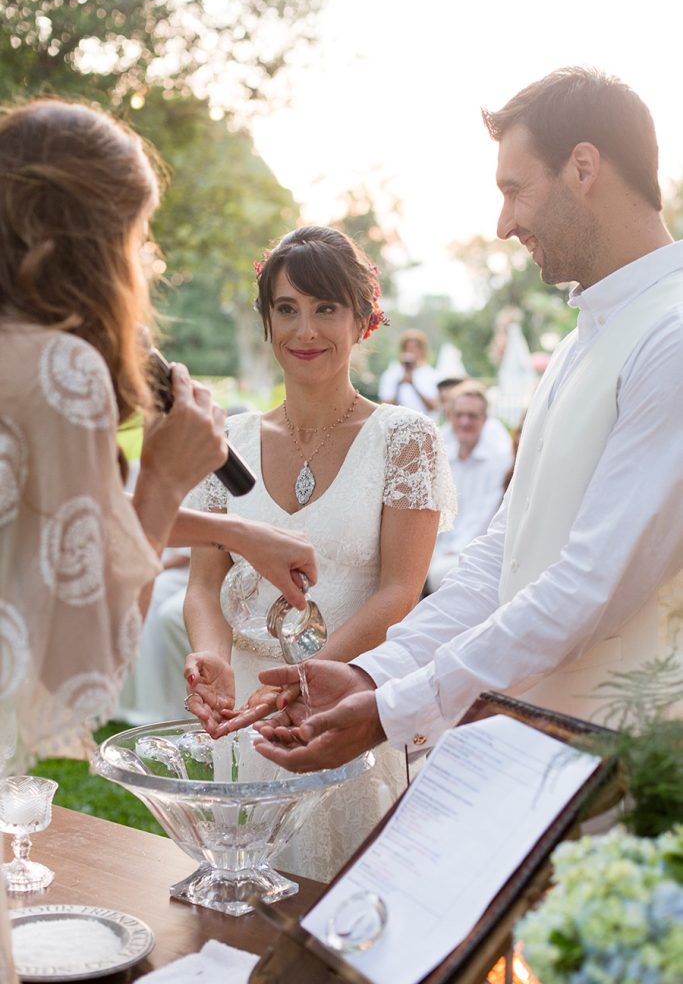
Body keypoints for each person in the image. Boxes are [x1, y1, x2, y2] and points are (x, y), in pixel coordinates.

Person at [249, 67, 683, 774]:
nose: (503, 223)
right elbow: (500, 556)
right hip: (530, 750)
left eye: (514, 190)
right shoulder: (580, 342)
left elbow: (588, 586)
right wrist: (373, 674)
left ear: (582, 168)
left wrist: (395, 708)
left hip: (624, 766)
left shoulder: (670, 336)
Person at [0, 98, 317, 777]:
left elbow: (49, 520)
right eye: (139, 233)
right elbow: (88, 661)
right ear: (92, 238)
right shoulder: (63, 369)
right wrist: (166, 472)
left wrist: (236, 534)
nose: (150, 259)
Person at [183, 225, 455, 880]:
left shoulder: (403, 438)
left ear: (364, 319)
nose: (304, 330)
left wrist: (304, 682)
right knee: (240, 909)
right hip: (245, 712)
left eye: (325, 308)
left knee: (346, 914)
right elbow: (202, 586)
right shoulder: (227, 442)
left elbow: (398, 592)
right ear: (267, 320)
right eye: (286, 308)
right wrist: (208, 657)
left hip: (344, 700)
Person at [426, 381, 512, 592]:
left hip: (471, 552)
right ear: (450, 416)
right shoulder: (440, 450)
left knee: (443, 574)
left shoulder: (498, 459)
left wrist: (453, 550)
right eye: (459, 415)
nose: (465, 422)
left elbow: (483, 517)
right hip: (435, 548)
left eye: (472, 416)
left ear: (484, 420)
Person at [378, 328, 440, 416]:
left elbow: (434, 406)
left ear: (422, 350)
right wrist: (398, 385)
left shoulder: (432, 375)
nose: (411, 351)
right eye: (407, 348)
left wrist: (413, 385)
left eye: (415, 348)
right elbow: (384, 407)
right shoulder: (391, 373)